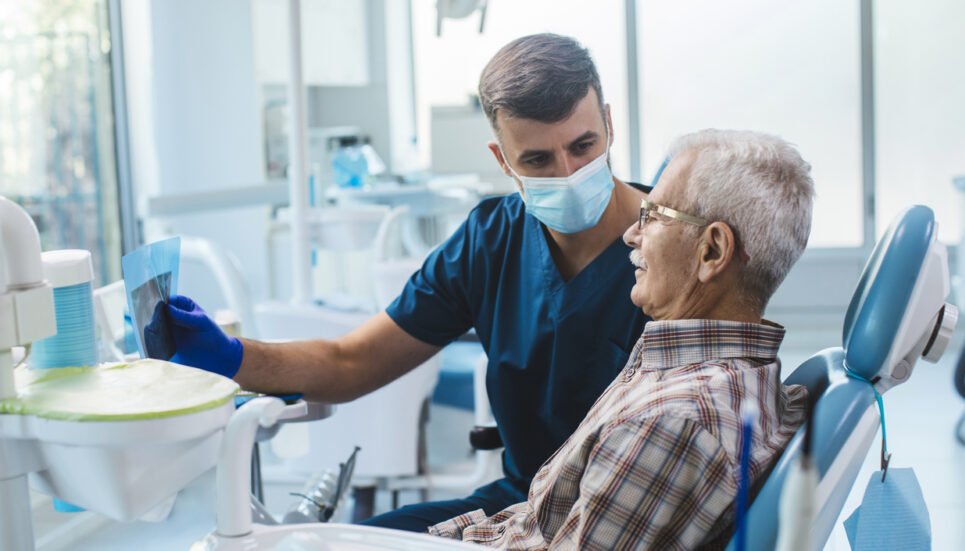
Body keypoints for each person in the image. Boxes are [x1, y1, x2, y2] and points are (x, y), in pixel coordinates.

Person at [159, 33, 651, 531]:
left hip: (630, 514)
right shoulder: (490, 242)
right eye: (537, 160)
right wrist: (232, 357)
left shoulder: (673, 247)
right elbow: (353, 361)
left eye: (583, 146)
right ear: (502, 160)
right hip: (522, 503)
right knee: (354, 542)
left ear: (608, 125)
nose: (568, 173)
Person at [427, 129, 814, 550]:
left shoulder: (673, 423)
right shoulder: (705, 378)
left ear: (712, 251)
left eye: (654, 215)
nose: (632, 235)